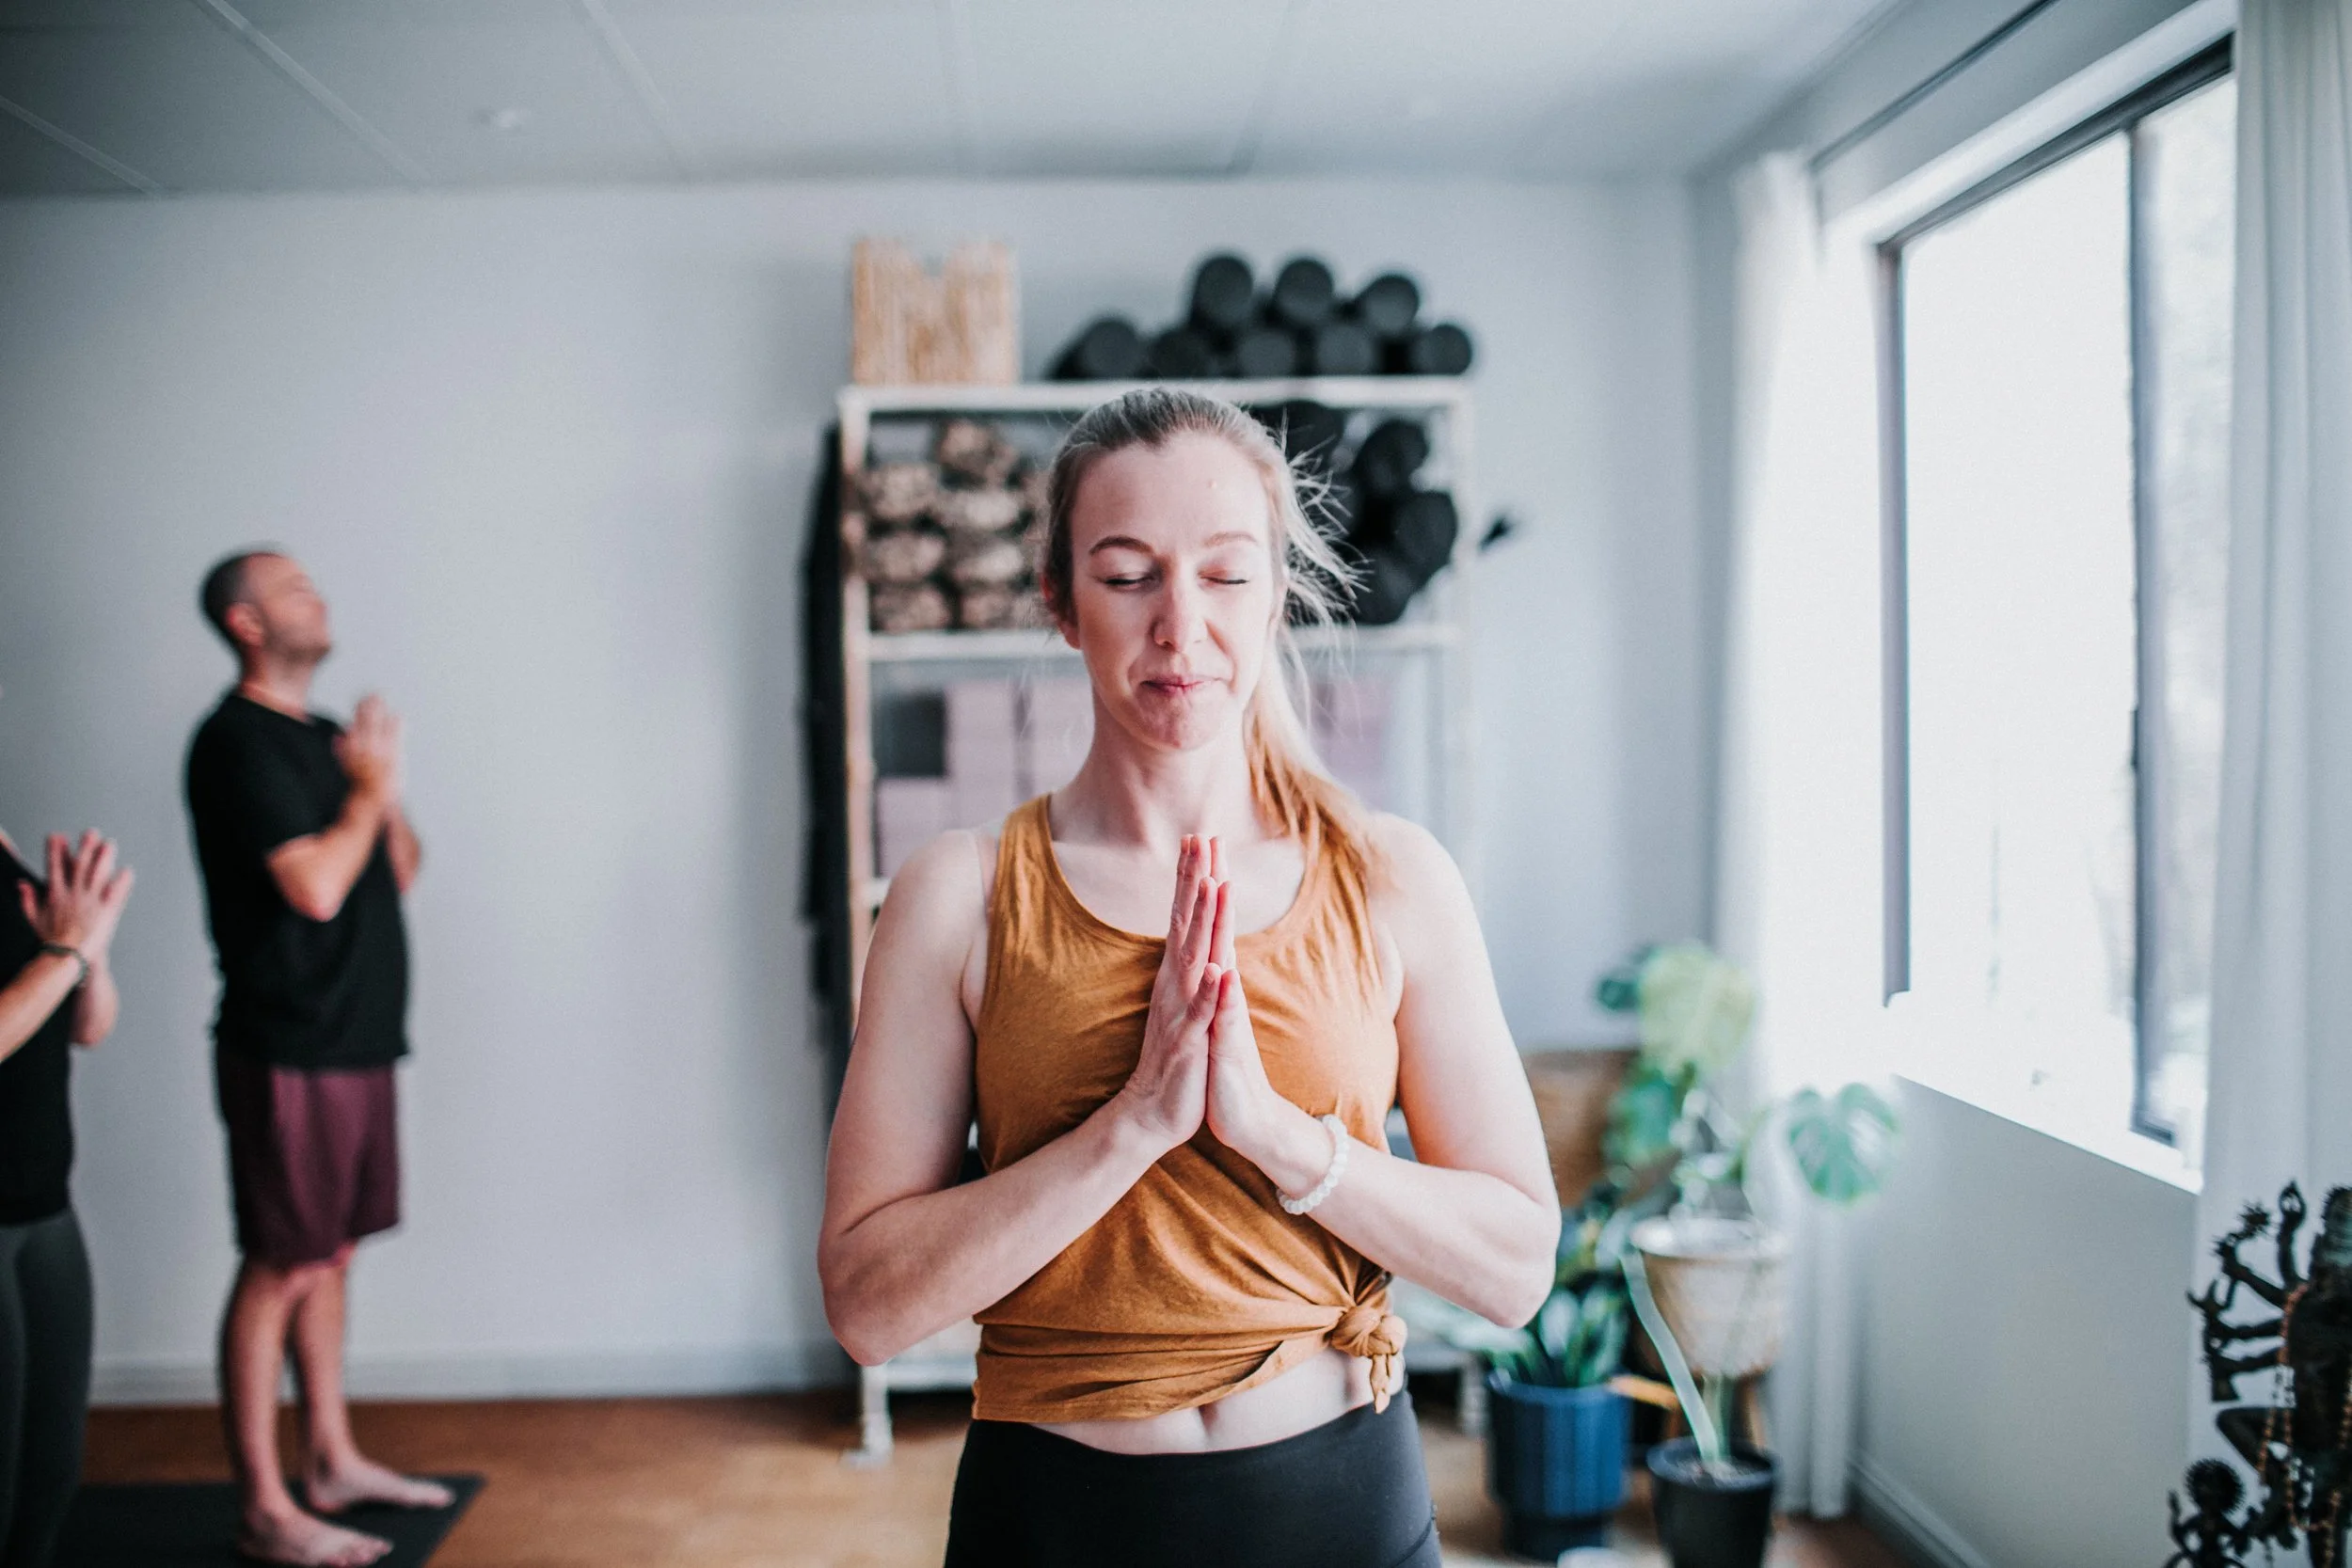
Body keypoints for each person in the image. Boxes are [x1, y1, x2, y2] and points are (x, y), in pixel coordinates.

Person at [819, 388, 1559, 1568]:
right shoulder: (958, 893)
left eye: (1224, 573)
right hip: (1054, 1522)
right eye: (1126, 575)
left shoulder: (1390, 876)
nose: (1180, 624)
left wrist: (1282, 1138)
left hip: (1344, 1512)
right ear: (1061, 601)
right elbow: (867, 1303)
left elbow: (1518, 1264)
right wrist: (1133, 1125)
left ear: (1276, 593)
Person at [184, 551, 449, 1568]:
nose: (319, 597)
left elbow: (402, 868)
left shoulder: (329, 737)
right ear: (246, 622)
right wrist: (366, 792)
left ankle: (331, 1459)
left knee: (332, 1251)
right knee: (282, 1258)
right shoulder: (232, 742)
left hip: (361, 1038)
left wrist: (382, 785)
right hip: (286, 1041)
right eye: (292, 589)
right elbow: (317, 888)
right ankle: (263, 1502)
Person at [0, 684, 133, 1568]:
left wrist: (92, 953)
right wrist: (67, 951)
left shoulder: (6, 845)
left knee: (52, 1470)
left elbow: (87, 1025)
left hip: (44, 1199)